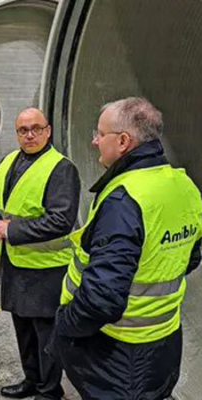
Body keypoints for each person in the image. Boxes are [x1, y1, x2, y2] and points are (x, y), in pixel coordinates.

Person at [52, 97, 202, 399]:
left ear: (123, 141)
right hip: (165, 346)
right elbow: (190, 257)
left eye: (99, 133)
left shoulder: (124, 200)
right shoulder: (184, 186)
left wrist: (63, 326)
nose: (94, 141)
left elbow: (102, 300)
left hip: (117, 357)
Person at [0, 107, 80, 399]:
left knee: (45, 336)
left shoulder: (61, 168)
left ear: (48, 131)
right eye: (23, 130)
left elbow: (61, 220)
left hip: (45, 269)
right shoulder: (8, 162)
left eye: (35, 129)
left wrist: (11, 231)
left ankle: (50, 391)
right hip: (14, 264)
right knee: (23, 329)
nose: (29, 135)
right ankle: (31, 379)